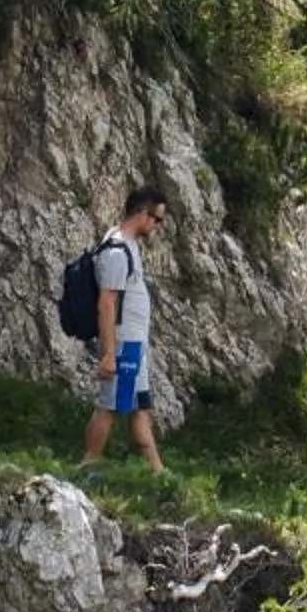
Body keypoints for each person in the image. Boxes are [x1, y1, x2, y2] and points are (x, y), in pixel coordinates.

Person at [80, 184, 171, 474]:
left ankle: (159, 473)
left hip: (134, 344)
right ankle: (88, 464)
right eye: (157, 219)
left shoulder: (126, 245)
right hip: (122, 345)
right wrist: (108, 353)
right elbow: (106, 304)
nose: (159, 225)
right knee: (108, 407)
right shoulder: (118, 251)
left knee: (139, 407)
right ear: (142, 214)